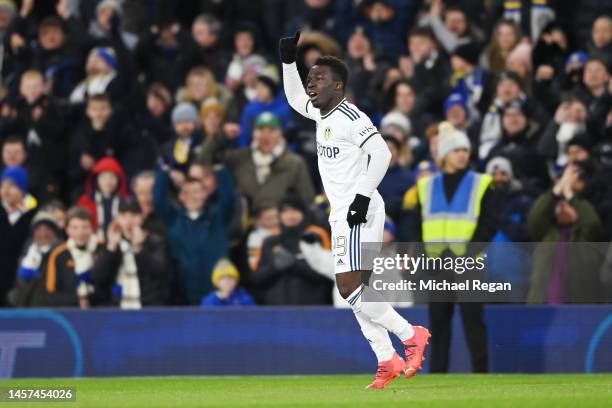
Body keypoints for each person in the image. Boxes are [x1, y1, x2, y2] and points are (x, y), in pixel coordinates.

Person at [280, 31, 430, 390]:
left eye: (319, 79)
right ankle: (386, 359)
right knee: (357, 290)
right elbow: (294, 97)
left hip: (359, 208)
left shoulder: (351, 116)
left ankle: (411, 335)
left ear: (338, 86)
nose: (311, 84)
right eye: (310, 77)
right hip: (343, 210)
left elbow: (382, 153)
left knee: (349, 288)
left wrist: (362, 198)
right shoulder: (321, 115)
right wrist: (288, 62)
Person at [410, 122, 499, 374]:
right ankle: (437, 375)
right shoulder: (426, 185)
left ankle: (481, 375)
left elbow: (489, 224)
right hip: (437, 265)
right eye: (457, 150)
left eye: (465, 150)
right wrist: (425, 257)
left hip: (467, 263)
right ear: (445, 154)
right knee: (438, 325)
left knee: (473, 321)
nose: (462, 154)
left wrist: (468, 254)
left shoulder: (482, 182)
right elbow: (416, 225)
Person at [153, 161, 234, 305]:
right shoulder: (174, 219)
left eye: (197, 191)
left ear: (205, 194)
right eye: (187, 192)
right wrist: (164, 173)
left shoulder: (218, 217)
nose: (193, 196)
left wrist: (220, 169)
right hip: (181, 294)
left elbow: (228, 198)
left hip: (215, 293)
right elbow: (159, 200)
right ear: (180, 197)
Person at [199, 111, 315, 211]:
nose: (266, 135)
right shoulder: (240, 157)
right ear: (253, 134)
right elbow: (204, 159)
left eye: (271, 130)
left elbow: (308, 201)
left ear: (280, 133)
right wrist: (221, 135)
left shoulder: (294, 163)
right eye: (261, 130)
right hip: (244, 229)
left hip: (279, 228)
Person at [253, 197, 333, 305]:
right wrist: (274, 267)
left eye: (294, 211)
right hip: (277, 310)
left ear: (303, 213)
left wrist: (295, 264)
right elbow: (257, 279)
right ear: (280, 215)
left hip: (312, 309)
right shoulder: (270, 241)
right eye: (285, 212)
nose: (290, 216)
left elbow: (328, 274)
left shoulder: (314, 237)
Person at [92, 198, 169, 308]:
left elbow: (159, 272)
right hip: (116, 306)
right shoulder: (109, 243)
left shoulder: (154, 241)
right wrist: (111, 248)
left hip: (148, 306)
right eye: (123, 215)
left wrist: (139, 249)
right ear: (117, 218)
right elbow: (98, 278)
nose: (128, 220)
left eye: (133, 215)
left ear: (142, 218)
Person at [44, 207, 102, 308]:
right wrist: (78, 300)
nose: (80, 232)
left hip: (102, 311)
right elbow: (50, 294)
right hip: (69, 314)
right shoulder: (58, 254)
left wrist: (91, 299)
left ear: (92, 228)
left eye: (85, 227)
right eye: (75, 228)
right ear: (67, 230)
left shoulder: (103, 249)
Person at [9, 210, 63, 307]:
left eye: (47, 229)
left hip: (51, 310)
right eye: (39, 229)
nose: (43, 234)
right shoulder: (25, 255)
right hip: (22, 309)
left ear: (55, 232)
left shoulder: (62, 254)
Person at [0, 166, 36, 305]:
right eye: (3, 186)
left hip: (23, 284)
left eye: (12, 185)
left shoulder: (33, 215)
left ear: (22, 188)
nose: (6, 190)